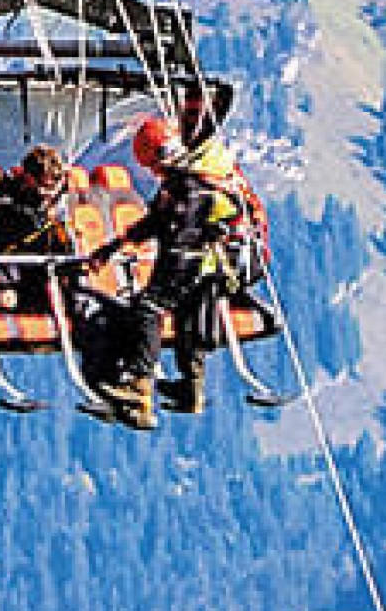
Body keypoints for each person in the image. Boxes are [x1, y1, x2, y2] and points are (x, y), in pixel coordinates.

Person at [77, 112, 267, 430]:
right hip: (233, 258)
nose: (153, 174)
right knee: (189, 311)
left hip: (209, 258)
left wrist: (161, 278)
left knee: (148, 307)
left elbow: (179, 232)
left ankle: (139, 389)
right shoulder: (208, 171)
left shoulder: (190, 186)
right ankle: (191, 388)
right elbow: (158, 220)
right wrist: (113, 248)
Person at [0, 142, 81, 331]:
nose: (48, 195)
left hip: (39, 286)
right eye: (44, 187)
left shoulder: (54, 216)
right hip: (2, 288)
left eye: (53, 188)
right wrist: (3, 285)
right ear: (28, 179)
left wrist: (72, 285)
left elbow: (66, 255)